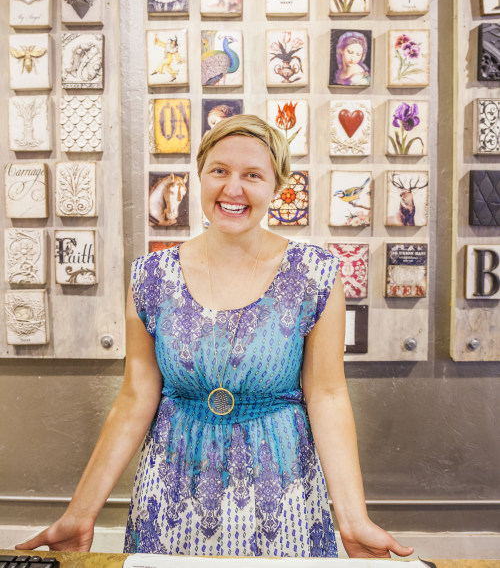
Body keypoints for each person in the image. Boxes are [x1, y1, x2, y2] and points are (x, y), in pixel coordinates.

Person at [17, 115, 413, 559]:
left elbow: (327, 396)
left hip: (281, 495)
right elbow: (135, 397)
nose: (233, 189)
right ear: (199, 175)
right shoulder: (151, 276)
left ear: (278, 187)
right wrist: (80, 512)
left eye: (252, 175)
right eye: (219, 171)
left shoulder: (314, 275)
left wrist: (353, 520)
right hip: (171, 493)